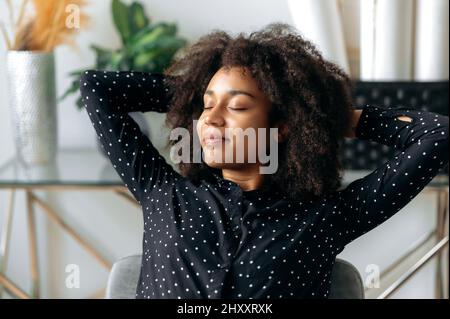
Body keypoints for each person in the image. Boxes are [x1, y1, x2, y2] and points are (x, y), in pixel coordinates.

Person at [79, 23, 449, 299]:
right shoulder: (162, 192)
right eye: (207, 105)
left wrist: (330, 115)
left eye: (237, 105)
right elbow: (96, 88)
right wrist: (191, 93)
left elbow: (437, 135)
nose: (211, 118)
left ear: (283, 125)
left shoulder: (323, 218)